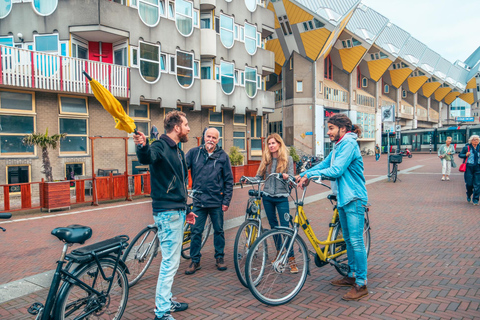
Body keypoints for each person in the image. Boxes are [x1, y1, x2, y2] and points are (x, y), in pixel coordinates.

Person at [296, 114, 369, 301]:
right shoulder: (339, 145)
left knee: (356, 240)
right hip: (344, 198)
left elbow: (336, 170)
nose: (328, 132)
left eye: (331, 128)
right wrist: (303, 173)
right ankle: (351, 274)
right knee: (347, 239)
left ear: (342, 129)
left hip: (354, 197)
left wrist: (311, 176)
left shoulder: (349, 144)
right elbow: (325, 164)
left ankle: (361, 284)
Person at [134, 110, 197, 320]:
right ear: (177, 127)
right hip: (168, 213)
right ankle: (161, 312)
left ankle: (166, 301)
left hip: (176, 211)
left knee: (172, 261)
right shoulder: (161, 145)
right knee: (170, 262)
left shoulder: (178, 152)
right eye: (186, 124)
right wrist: (142, 145)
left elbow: (180, 185)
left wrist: (186, 209)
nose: (188, 128)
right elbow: (147, 157)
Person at [184, 128, 234, 274]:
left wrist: (226, 201)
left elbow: (229, 181)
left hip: (216, 201)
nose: (210, 139)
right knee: (195, 231)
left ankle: (219, 258)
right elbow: (181, 169)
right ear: (203, 137)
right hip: (199, 201)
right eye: (208, 136)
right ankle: (195, 260)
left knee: (218, 230)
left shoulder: (223, 156)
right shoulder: (194, 153)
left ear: (218, 140)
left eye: (214, 137)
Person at [254, 133, 297, 273]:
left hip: (281, 197)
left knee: (285, 228)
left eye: (273, 143)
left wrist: (286, 177)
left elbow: (292, 178)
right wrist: (247, 179)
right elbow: (258, 176)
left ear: (279, 144)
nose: (271, 146)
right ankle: (280, 253)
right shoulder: (266, 160)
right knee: (273, 227)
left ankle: (292, 259)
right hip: (267, 197)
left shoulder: (287, 159)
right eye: (269, 143)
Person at [459, 135, 480, 205]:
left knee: (477, 184)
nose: (476, 141)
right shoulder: (467, 147)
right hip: (469, 167)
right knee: (469, 183)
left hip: (478, 167)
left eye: (477, 139)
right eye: (474, 139)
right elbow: (460, 155)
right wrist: (465, 155)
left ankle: (475, 199)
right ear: (471, 140)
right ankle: (469, 194)